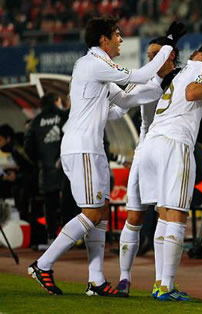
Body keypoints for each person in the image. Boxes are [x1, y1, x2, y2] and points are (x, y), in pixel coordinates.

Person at [27, 16, 183, 297]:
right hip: (83, 146)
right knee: (92, 213)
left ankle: (96, 280)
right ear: (104, 40)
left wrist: (161, 83)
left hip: (91, 147)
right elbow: (137, 77)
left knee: (99, 217)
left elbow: (124, 101)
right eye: (117, 34)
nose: (121, 39)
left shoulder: (96, 68)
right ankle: (44, 263)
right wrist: (167, 46)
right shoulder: (94, 64)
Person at [138, 44, 202, 301]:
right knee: (177, 215)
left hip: (152, 143)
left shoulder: (183, 71)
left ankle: (160, 283)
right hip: (174, 143)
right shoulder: (200, 68)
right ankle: (167, 287)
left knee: (164, 213)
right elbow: (193, 93)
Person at [105, 35, 181, 296]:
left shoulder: (182, 79)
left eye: (155, 54)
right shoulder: (146, 82)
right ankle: (125, 278)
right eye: (148, 55)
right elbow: (119, 110)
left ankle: (162, 282)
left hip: (169, 151)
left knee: (164, 213)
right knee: (134, 217)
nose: (151, 59)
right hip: (145, 150)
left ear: (169, 54)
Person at [24, 93, 68, 244]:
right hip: (66, 169)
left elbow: (28, 146)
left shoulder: (36, 122)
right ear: (56, 101)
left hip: (46, 171)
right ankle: (71, 238)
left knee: (50, 206)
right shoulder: (64, 117)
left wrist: (39, 161)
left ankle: (52, 237)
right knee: (69, 202)